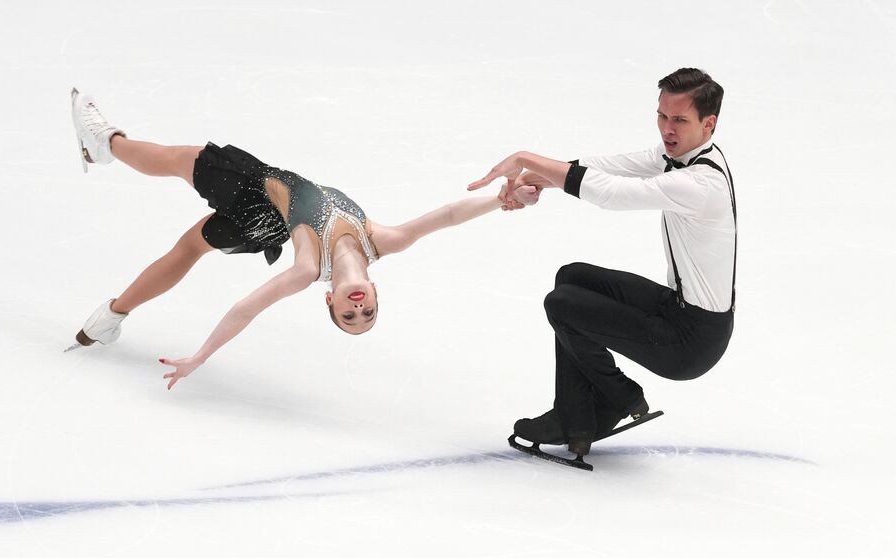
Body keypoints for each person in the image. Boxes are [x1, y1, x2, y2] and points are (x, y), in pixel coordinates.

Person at [67, 90, 539, 390]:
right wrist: (503, 199)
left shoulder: (309, 266)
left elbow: (246, 308)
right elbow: (450, 214)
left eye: (348, 315)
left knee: (182, 160)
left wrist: (201, 357)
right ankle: (110, 317)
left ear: (329, 301)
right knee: (189, 249)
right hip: (269, 222)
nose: (357, 307)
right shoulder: (384, 241)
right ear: (375, 293)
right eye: (366, 312)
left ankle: (106, 144)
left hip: (256, 192)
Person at [468, 67, 736, 460]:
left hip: (691, 342)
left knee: (562, 305)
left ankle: (610, 399)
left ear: (708, 124)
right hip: (679, 309)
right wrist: (538, 176)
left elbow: (614, 194)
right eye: (662, 116)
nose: (667, 129)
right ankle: (583, 413)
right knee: (572, 278)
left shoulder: (699, 183)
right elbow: (614, 166)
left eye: (679, 119)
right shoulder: (681, 155)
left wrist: (527, 158)